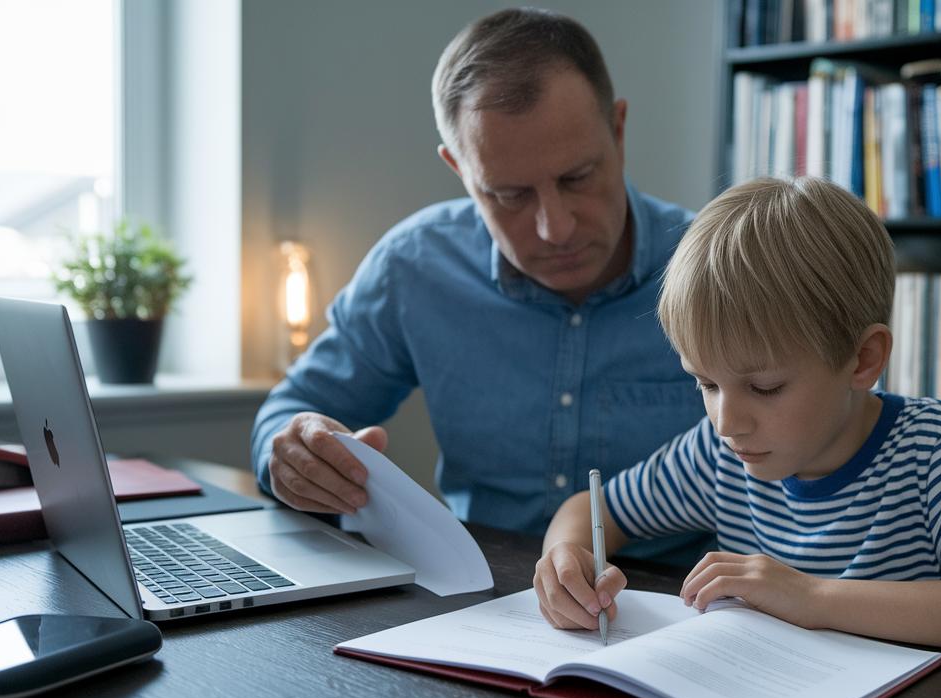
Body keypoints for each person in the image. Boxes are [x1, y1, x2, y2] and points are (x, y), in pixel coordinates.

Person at [533, 177, 941, 663]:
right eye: (705, 383)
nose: (726, 420)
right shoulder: (718, 454)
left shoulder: (934, 450)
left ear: (863, 359)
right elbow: (589, 508)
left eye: (764, 386)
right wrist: (567, 558)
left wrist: (814, 597)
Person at [250, 8, 707, 560]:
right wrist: (297, 453)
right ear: (459, 170)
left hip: (674, 604)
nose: (554, 227)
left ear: (618, 129)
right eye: (510, 195)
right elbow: (294, 409)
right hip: (476, 594)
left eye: (577, 178)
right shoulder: (414, 267)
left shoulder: (716, 269)